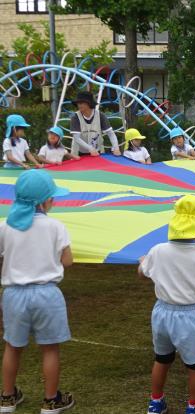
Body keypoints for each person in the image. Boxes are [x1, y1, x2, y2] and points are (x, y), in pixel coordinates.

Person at [0, 169, 75, 413]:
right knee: (50, 348)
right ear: (44, 202)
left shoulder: (5, 227)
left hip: (13, 295)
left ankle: (7, 397)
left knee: (12, 346)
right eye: (52, 197)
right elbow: (67, 261)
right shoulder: (56, 227)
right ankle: (51, 400)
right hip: (47, 295)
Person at [139, 195, 195, 414]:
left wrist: (142, 263)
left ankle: (156, 402)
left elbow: (143, 272)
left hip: (162, 313)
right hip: (191, 316)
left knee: (162, 359)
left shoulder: (157, 251)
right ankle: (194, 407)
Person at [69, 91, 121, 157]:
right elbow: (76, 138)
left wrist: (116, 148)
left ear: (89, 103)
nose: (79, 105)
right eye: (78, 103)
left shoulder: (100, 115)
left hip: (97, 152)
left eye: (81, 103)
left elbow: (110, 133)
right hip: (79, 153)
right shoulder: (75, 117)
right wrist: (90, 148)